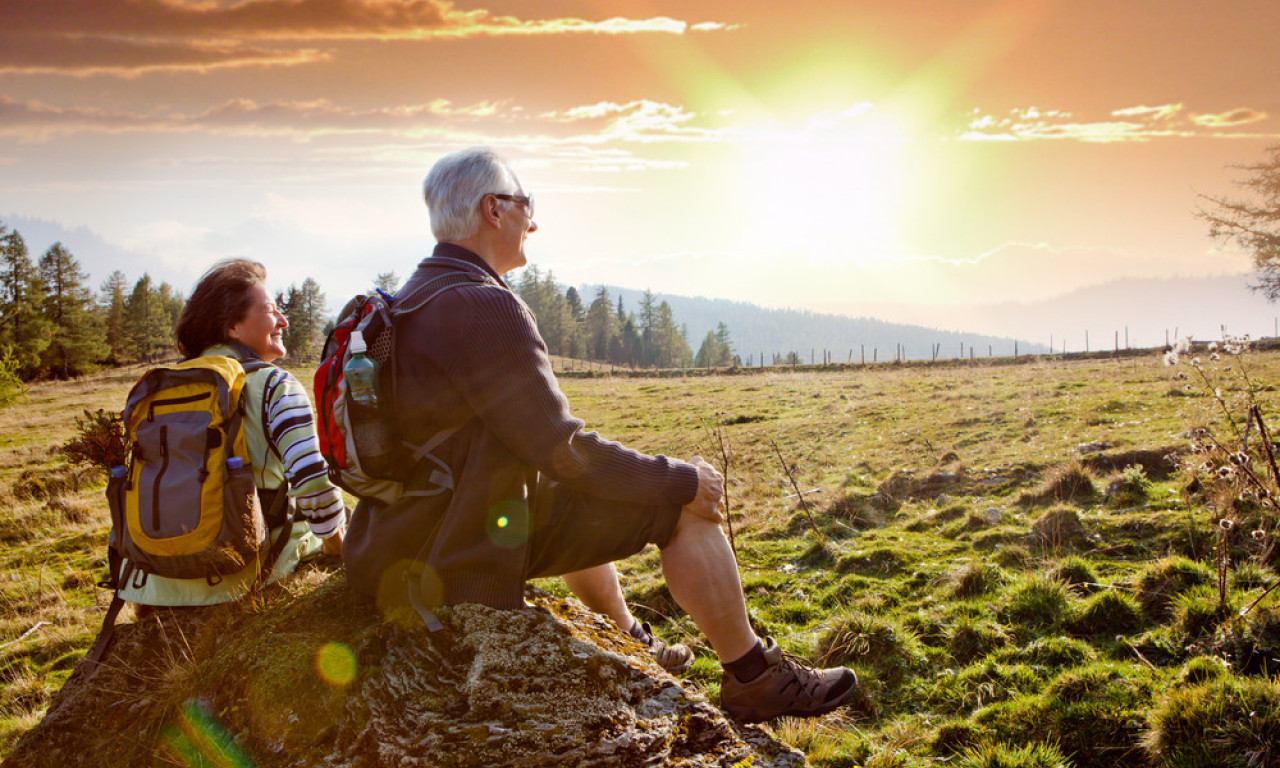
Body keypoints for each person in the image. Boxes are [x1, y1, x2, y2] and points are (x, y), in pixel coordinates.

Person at [342, 147, 857, 722]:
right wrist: (683, 480)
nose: (532, 221)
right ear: (493, 210)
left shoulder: (406, 300)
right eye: (525, 204)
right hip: (450, 559)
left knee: (573, 493)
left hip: (393, 544)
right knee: (680, 509)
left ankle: (630, 636)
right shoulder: (484, 306)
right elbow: (563, 452)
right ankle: (755, 677)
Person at [119, 259, 347, 608]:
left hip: (157, 582)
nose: (283, 320)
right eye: (270, 310)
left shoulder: (162, 388)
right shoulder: (276, 384)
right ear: (232, 328)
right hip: (242, 575)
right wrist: (337, 548)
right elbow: (311, 480)